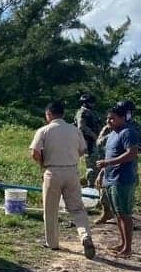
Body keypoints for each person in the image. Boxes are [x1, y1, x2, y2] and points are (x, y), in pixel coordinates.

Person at [29, 101, 97, 259]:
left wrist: (42, 163)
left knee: (50, 209)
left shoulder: (44, 130)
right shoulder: (74, 130)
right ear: (63, 114)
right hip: (72, 171)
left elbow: (34, 152)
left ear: (49, 114)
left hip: (52, 171)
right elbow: (82, 150)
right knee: (77, 208)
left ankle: (52, 243)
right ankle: (85, 235)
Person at [93, 99, 141, 224]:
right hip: (108, 164)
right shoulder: (110, 127)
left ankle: (126, 219)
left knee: (125, 197)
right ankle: (107, 212)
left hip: (128, 167)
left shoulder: (138, 129)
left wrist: (127, 142)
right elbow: (99, 142)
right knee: (105, 192)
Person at [96, 104, 140, 257]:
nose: (109, 121)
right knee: (117, 213)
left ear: (122, 118)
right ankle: (122, 244)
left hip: (122, 179)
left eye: (112, 118)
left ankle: (128, 248)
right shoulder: (112, 134)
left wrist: (108, 163)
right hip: (110, 177)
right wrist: (102, 172)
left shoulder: (128, 133)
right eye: (108, 118)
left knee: (124, 214)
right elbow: (110, 155)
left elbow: (132, 154)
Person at [75, 94, 102, 184]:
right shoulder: (82, 113)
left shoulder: (92, 113)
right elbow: (81, 127)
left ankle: (91, 184)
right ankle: (90, 186)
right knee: (92, 167)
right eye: (91, 102)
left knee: (96, 166)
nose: (93, 104)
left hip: (95, 142)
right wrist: (94, 135)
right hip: (88, 143)